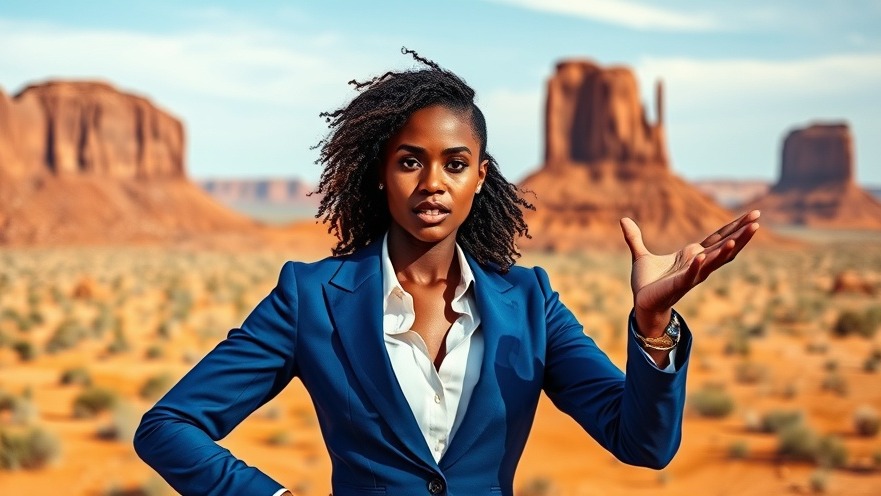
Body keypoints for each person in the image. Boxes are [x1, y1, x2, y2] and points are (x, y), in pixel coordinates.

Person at [133, 49, 760, 496]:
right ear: (380, 172)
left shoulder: (529, 303)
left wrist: (652, 326)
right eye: (411, 162)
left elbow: (642, 444)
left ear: (480, 176)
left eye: (455, 164)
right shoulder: (312, 298)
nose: (433, 184)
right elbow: (169, 426)